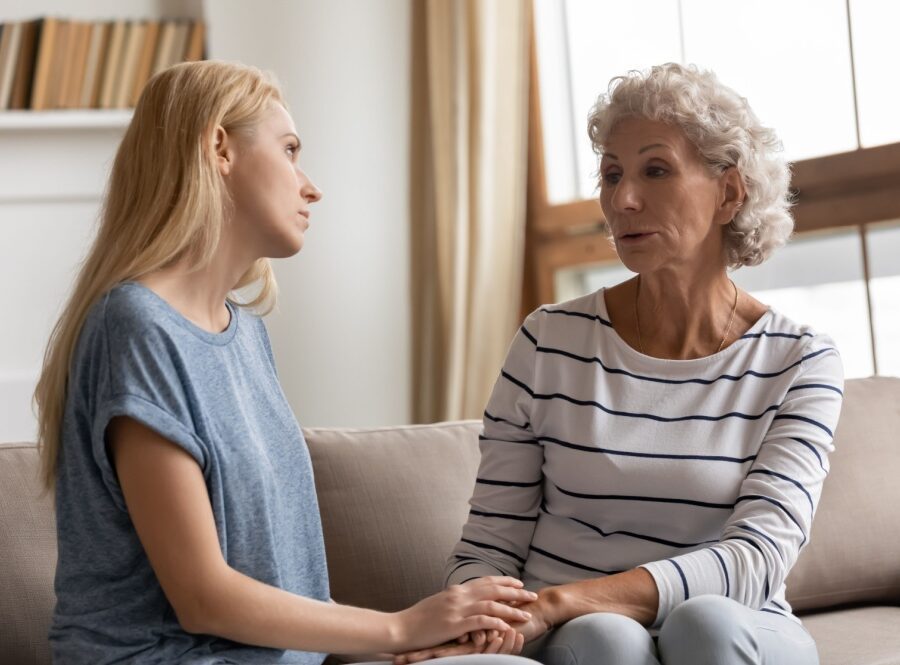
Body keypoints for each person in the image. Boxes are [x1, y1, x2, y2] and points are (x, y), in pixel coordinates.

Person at [34, 60, 541, 665]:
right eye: (290, 150)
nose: (311, 185)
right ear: (219, 147)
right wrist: (403, 628)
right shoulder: (136, 327)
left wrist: (398, 648)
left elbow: (280, 596)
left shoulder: (246, 336)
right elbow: (202, 598)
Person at [396, 63, 844, 665]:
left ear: (730, 192)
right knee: (606, 637)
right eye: (612, 174)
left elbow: (757, 556)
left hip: (735, 624)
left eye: (655, 170)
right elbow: (490, 542)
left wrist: (562, 601)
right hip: (578, 636)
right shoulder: (549, 340)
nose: (622, 199)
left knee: (705, 624)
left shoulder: (800, 360)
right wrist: (485, 613)